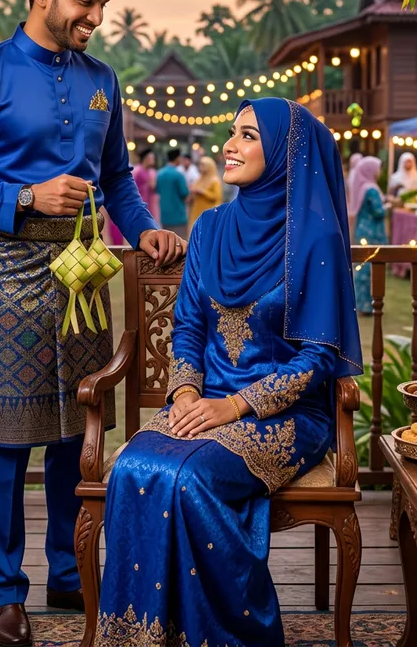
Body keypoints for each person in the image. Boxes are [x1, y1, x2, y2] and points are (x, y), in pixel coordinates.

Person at [0, 0, 185, 647]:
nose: (95, 17)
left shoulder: (103, 80)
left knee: (81, 431)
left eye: (103, 4)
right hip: (8, 277)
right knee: (3, 446)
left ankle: (70, 571)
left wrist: (146, 233)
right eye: (85, 1)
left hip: (83, 277)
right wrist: (27, 199)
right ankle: (3, 595)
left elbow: (116, 183)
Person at [96, 98, 362, 647]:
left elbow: (316, 360)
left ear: (284, 151)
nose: (229, 146)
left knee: (191, 478)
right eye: (231, 133)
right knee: (134, 466)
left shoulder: (315, 236)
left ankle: (238, 636)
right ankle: (139, 636)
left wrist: (233, 407)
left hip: (286, 416)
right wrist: (189, 391)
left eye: (247, 136)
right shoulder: (211, 226)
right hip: (205, 400)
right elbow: (188, 327)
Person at [350, 156, 387, 315]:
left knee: (362, 267)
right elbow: (378, 212)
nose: (379, 172)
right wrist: (389, 206)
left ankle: (361, 303)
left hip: (362, 230)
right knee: (370, 268)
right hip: (372, 232)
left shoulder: (363, 187)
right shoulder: (371, 189)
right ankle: (366, 305)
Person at [157, 148, 189, 238]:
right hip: (178, 216)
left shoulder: (159, 174)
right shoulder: (178, 175)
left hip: (164, 216)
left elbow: (157, 190)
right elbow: (184, 193)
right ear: (177, 158)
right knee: (180, 245)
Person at [189, 155, 223, 228]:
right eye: (200, 165)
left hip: (210, 212)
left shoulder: (214, 180)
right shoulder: (199, 179)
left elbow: (217, 197)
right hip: (197, 211)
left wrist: (203, 192)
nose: (200, 167)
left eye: (203, 165)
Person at [132, 147, 159, 221]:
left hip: (150, 203)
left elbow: (154, 187)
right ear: (146, 158)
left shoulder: (152, 172)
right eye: (151, 158)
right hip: (139, 202)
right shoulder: (137, 170)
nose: (153, 160)